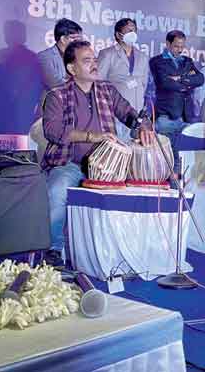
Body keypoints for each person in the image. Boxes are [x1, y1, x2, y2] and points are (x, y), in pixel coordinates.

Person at [42, 40, 155, 261]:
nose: (94, 64)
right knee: (57, 191)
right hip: (70, 164)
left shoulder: (107, 90)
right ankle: (53, 250)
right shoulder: (57, 95)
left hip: (107, 167)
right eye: (87, 61)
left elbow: (129, 114)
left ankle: (120, 253)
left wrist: (143, 126)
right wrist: (92, 137)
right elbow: (52, 131)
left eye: (94, 59)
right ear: (71, 69)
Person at [98, 18, 150, 139]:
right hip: (115, 115)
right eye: (129, 30)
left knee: (134, 153)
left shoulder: (142, 57)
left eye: (134, 30)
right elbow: (98, 83)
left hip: (137, 116)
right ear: (118, 34)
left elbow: (144, 84)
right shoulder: (107, 54)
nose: (133, 33)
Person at [149, 30, 204, 146]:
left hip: (186, 115)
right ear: (168, 44)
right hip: (166, 116)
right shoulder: (157, 61)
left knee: (182, 154)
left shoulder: (187, 61)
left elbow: (200, 79)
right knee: (166, 154)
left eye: (182, 46)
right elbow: (165, 83)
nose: (179, 50)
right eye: (176, 46)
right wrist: (188, 82)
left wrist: (180, 79)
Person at [38, 18, 82, 99]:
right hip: (51, 105)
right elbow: (55, 83)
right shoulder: (44, 57)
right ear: (63, 39)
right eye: (74, 38)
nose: (78, 42)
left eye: (79, 38)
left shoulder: (76, 57)